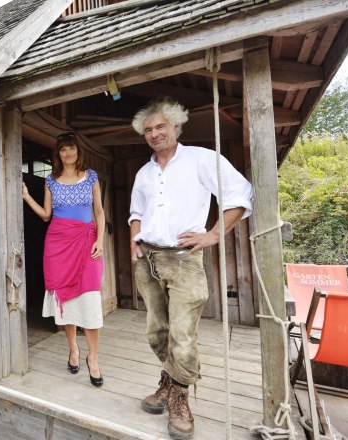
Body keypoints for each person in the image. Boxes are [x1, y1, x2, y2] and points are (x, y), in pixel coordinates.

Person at [128, 98, 253, 439]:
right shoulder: (144, 173)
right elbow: (136, 213)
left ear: (177, 126)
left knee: (182, 333)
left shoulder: (201, 159)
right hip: (148, 259)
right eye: (148, 130)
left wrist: (214, 234)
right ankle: (169, 383)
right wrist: (134, 240)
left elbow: (240, 194)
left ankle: (180, 398)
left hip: (183, 259)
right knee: (157, 331)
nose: (154, 134)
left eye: (160, 126)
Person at [22, 132, 106, 387]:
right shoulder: (51, 181)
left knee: (90, 298)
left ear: (78, 151)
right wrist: (27, 196)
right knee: (65, 301)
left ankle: (93, 358)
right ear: (58, 154)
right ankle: (73, 349)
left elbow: (99, 211)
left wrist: (100, 240)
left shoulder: (91, 176)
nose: (68, 153)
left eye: (72, 148)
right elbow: (46, 215)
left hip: (87, 241)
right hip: (58, 244)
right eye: (63, 149)